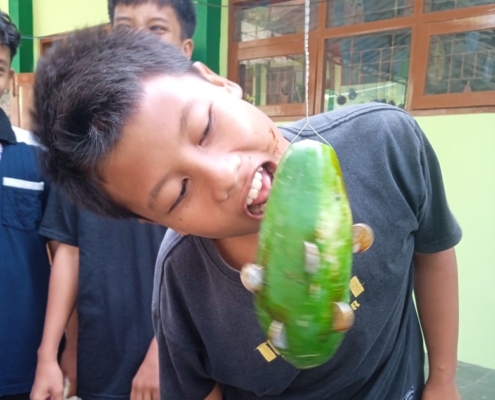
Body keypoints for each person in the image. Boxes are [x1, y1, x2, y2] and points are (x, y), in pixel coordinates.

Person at [30, 26, 463, 400]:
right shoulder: (181, 282)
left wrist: (442, 380)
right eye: (180, 192)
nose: (224, 176)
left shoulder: (385, 143)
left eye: (205, 129)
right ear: (157, 222)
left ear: (218, 83)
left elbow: (434, 254)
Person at [30, 2, 196, 400]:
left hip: (180, 364)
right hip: (101, 360)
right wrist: (51, 353)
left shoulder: (201, 142)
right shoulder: (79, 134)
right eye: (125, 26)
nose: (138, 39)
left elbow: (209, 259)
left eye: (156, 28)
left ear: (185, 49)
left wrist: (162, 350)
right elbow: (69, 254)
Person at [0, 10, 52, 400]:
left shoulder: (37, 156)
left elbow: (65, 254)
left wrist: (60, 352)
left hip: (20, 361)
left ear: (9, 78)